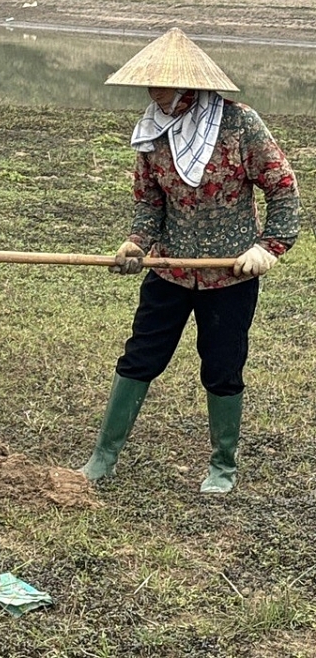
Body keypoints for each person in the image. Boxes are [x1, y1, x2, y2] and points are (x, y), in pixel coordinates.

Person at [80, 28, 300, 493]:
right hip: (170, 269)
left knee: (222, 365)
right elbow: (149, 201)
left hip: (230, 274)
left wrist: (269, 247)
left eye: (162, 85)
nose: (153, 93)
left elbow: (283, 188)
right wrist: (137, 243)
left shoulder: (240, 125)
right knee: (140, 356)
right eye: (149, 85)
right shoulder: (153, 132)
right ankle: (103, 457)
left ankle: (223, 466)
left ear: (189, 86)